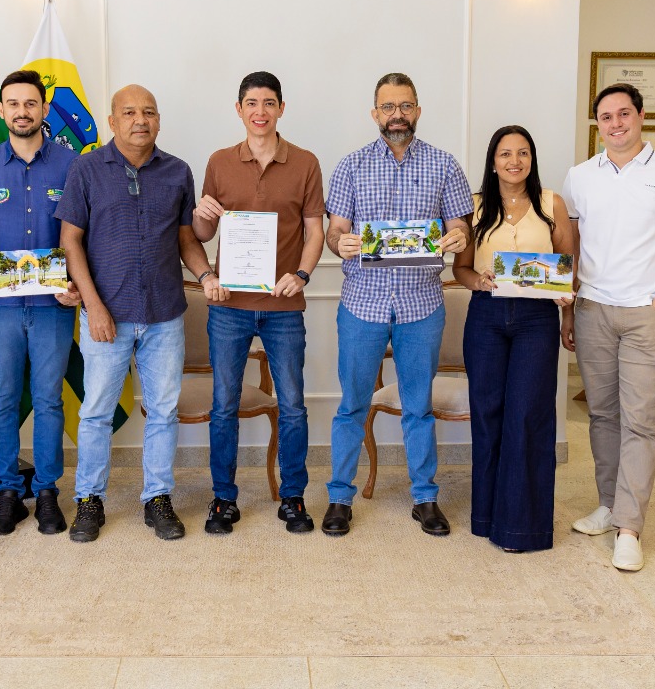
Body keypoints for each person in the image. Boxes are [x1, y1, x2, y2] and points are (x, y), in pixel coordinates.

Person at [58, 84, 225, 542]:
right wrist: (93, 306)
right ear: (111, 122)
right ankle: (89, 500)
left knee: (163, 410)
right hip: (105, 315)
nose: (140, 120)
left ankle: (157, 498)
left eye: (149, 112)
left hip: (164, 314)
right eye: (129, 112)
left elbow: (187, 238)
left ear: (159, 120)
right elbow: (70, 240)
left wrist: (206, 274)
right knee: (95, 413)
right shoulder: (87, 169)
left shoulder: (177, 171)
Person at [560, 83, 655, 572]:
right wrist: (568, 303)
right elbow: (573, 247)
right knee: (602, 416)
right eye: (606, 116)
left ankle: (629, 527)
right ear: (596, 123)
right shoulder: (580, 177)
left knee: (639, 420)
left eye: (624, 114)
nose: (616, 123)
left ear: (641, 116)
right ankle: (608, 504)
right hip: (593, 308)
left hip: (645, 312)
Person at [323, 72, 473, 537]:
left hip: (422, 305)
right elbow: (335, 230)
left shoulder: (444, 165)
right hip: (362, 304)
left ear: (418, 111)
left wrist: (458, 234)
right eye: (388, 107)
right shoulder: (350, 166)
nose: (397, 116)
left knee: (418, 405)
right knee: (352, 404)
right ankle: (339, 497)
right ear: (375, 114)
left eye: (405, 106)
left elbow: (461, 228)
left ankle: (425, 497)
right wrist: (340, 242)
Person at [191, 71, 326, 534]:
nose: (260, 112)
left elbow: (314, 231)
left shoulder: (306, 162)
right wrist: (200, 215)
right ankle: (223, 500)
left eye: (269, 103)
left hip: (284, 305)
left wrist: (303, 275)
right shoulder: (219, 161)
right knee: (224, 404)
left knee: (292, 404)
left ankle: (293, 497)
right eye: (251, 103)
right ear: (239, 109)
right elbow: (204, 234)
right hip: (229, 303)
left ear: (281, 109)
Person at [0, 70, 82, 537]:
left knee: (49, 400)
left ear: (45, 109)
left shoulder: (73, 166)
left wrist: (75, 285)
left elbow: (81, 239)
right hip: (0, 307)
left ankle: (48, 492)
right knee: (4, 400)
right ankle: (9, 492)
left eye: (31, 103)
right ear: (1, 110)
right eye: (13, 103)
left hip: (53, 304)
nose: (22, 111)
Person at [452, 125, 572, 553]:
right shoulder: (474, 206)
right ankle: (485, 517)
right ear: (493, 160)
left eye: (523, 153)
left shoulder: (551, 203)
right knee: (488, 415)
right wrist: (479, 281)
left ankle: (523, 527)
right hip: (486, 317)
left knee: (528, 415)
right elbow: (460, 269)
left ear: (532, 159)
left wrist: (569, 315)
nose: (514, 161)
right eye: (506, 154)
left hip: (537, 320)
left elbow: (567, 267)